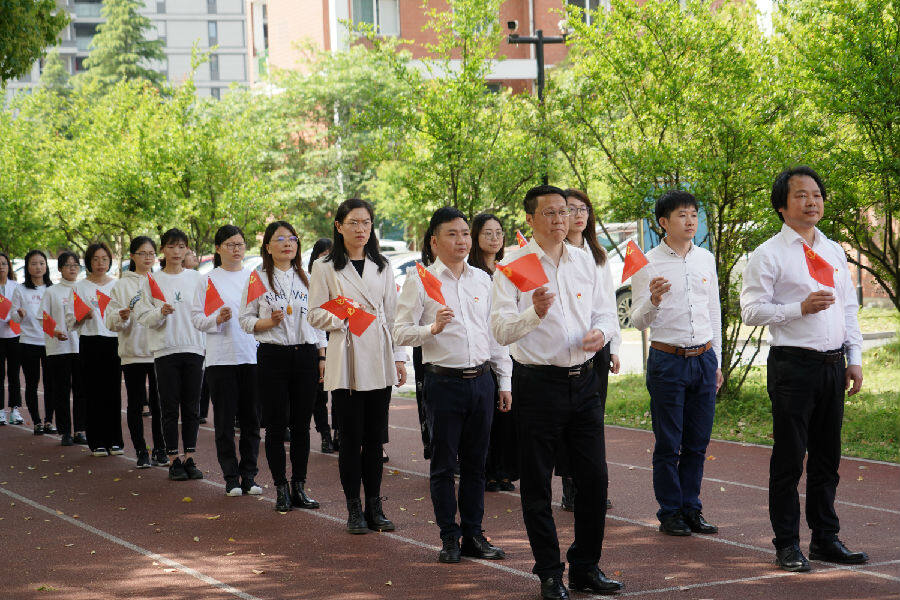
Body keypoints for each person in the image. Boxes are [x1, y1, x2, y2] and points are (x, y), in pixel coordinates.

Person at [491, 185, 623, 599]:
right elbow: (500, 330)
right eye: (549, 213)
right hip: (537, 385)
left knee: (594, 480)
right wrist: (534, 313)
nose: (559, 219)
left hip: (584, 381)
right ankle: (550, 572)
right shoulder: (513, 266)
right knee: (537, 484)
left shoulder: (585, 260)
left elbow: (606, 313)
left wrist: (602, 333)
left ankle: (586, 566)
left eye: (563, 211)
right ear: (530, 219)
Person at [741, 166, 868, 572]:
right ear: (781, 205)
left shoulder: (832, 249)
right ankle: (786, 544)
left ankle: (825, 538)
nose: (811, 202)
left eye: (816, 195)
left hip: (833, 365)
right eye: (801, 195)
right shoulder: (769, 254)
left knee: (827, 459)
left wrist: (854, 358)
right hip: (793, 367)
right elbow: (750, 311)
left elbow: (848, 307)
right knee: (790, 459)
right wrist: (799, 308)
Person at [395, 207, 511, 563]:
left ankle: (474, 534)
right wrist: (431, 329)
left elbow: (495, 334)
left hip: (482, 382)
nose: (461, 240)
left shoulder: (482, 280)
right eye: (452, 234)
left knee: (477, 465)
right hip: (443, 383)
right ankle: (449, 536)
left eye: (464, 233)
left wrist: (504, 380)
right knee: (444, 465)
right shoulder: (420, 280)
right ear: (434, 241)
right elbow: (399, 331)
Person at [308, 198, 408, 534]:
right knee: (351, 440)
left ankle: (374, 506)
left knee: (376, 441)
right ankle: (353, 508)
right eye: (353, 222)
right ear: (339, 226)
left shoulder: (383, 264)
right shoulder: (325, 266)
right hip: (347, 358)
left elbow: (393, 314)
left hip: (379, 355)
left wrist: (399, 357)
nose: (360, 229)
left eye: (366, 222)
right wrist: (343, 313)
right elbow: (314, 314)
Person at [629, 190, 722, 537]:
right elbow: (637, 320)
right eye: (682, 215)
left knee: (698, 442)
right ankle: (670, 512)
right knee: (669, 442)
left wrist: (717, 361)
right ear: (664, 222)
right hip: (668, 360)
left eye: (694, 215)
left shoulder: (706, 259)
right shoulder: (647, 263)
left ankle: (691, 508)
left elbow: (713, 311)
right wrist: (653, 299)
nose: (690, 221)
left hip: (704, 358)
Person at [239, 221, 324, 511]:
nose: (288, 243)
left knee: (301, 426)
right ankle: (280, 488)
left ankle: (299, 486)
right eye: (280, 239)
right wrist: (267, 322)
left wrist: (322, 356)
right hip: (272, 356)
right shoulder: (258, 278)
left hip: (306, 356)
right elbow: (245, 319)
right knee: (276, 426)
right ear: (268, 247)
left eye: (292, 238)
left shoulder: (308, 278)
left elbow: (318, 321)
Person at [560, 189, 622, 512]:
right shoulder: (557, 254)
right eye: (571, 209)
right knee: (568, 421)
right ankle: (570, 487)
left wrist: (614, 346)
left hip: (598, 345)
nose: (578, 215)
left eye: (583, 209)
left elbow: (608, 303)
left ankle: (594, 486)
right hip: (568, 349)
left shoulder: (598, 254)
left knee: (593, 419)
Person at [194, 225, 262, 497]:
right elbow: (196, 319)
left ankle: (249, 475)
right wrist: (216, 320)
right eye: (231, 244)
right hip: (221, 359)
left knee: (251, 421)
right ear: (218, 248)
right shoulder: (207, 280)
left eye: (240, 244)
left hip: (251, 356)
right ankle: (231, 477)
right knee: (223, 423)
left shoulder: (254, 278)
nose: (236, 249)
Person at [134, 228, 205, 482]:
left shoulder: (197, 278)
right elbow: (143, 316)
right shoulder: (151, 281)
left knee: (192, 407)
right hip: (165, 349)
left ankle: (190, 457)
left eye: (182, 246)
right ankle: (173, 459)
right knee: (169, 407)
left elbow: (205, 312)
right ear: (163, 250)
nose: (177, 252)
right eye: (172, 246)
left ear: (187, 249)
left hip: (194, 348)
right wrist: (160, 313)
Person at [106, 237, 166, 468]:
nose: (147, 258)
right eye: (142, 253)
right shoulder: (121, 285)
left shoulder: (159, 280)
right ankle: (141, 450)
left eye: (151, 253)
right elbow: (110, 320)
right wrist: (120, 317)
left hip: (158, 351)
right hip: (132, 351)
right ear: (132, 256)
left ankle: (161, 448)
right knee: (135, 403)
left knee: (159, 404)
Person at [468, 213, 518, 493]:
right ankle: (487, 471)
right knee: (487, 418)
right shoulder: (472, 273)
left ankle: (504, 470)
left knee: (507, 416)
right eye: (487, 233)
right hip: (483, 355)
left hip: (510, 350)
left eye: (498, 232)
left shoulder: (507, 270)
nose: (494, 238)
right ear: (476, 237)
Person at [68, 243, 123, 457]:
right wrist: (83, 316)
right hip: (90, 341)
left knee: (112, 391)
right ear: (89, 262)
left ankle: (115, 440)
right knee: (93, 391)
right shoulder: (79, 287)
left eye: (104, 259)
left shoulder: (116, 285)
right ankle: (97, 441)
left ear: (110, 261)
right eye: (96, 259)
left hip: (113, 341)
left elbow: (123, 315)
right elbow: (71, 320)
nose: (100, 263)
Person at [40, 251, 84, 447]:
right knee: (62, 391)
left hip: (81, 347)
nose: (72, 268)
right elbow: (42, 318)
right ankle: (65, 431)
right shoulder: (52, 292)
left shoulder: (83, 289)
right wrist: (55, 331)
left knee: (81, 390)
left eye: (76, 265)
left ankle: (80, 429)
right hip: (58, 348)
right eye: (68, 265)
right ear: (59, 269)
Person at [11, 250, 54, 435]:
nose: (38, 267)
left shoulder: (52, 289)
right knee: (32, 383)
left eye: (42, 263)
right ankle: (36, 421)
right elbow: (14, 316)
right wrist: (19, 314)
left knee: (50, 383)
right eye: (34, 263)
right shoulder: (20, 289)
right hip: (28, 342)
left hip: (50, 343)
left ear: (46, 266)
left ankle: (49, 421)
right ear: (27, 267)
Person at [308, 237, 337, 454]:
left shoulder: (341, 280)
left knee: (339, 391)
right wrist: (322, 355)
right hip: (317, 342)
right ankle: (325, 434)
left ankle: (339, 433)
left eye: (331, 255)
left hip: (337, 339)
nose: (328, 259)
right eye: (323, 254)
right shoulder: (309, 281)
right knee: (319, 394)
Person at [0, 252, 23, 427]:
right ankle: (0, 410)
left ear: (9, 266)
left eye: (4, 263)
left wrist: (15, 317)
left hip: (14, 335)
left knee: (14, 374)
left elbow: (20, 309)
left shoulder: (16, 286)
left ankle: (15, 410)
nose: (1, 267)